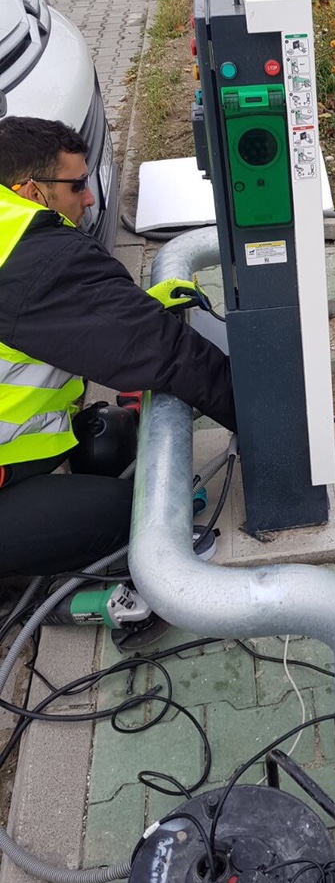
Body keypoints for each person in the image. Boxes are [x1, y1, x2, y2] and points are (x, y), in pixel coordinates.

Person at [0, 116, 236, 575]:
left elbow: (41, 319)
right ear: (31, 192)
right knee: (146, 510)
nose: (89, 198)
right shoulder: (35, 259)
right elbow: (168, 355)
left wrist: (135, 309)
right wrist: (271, 430)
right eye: (77, 185)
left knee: (105, 441)